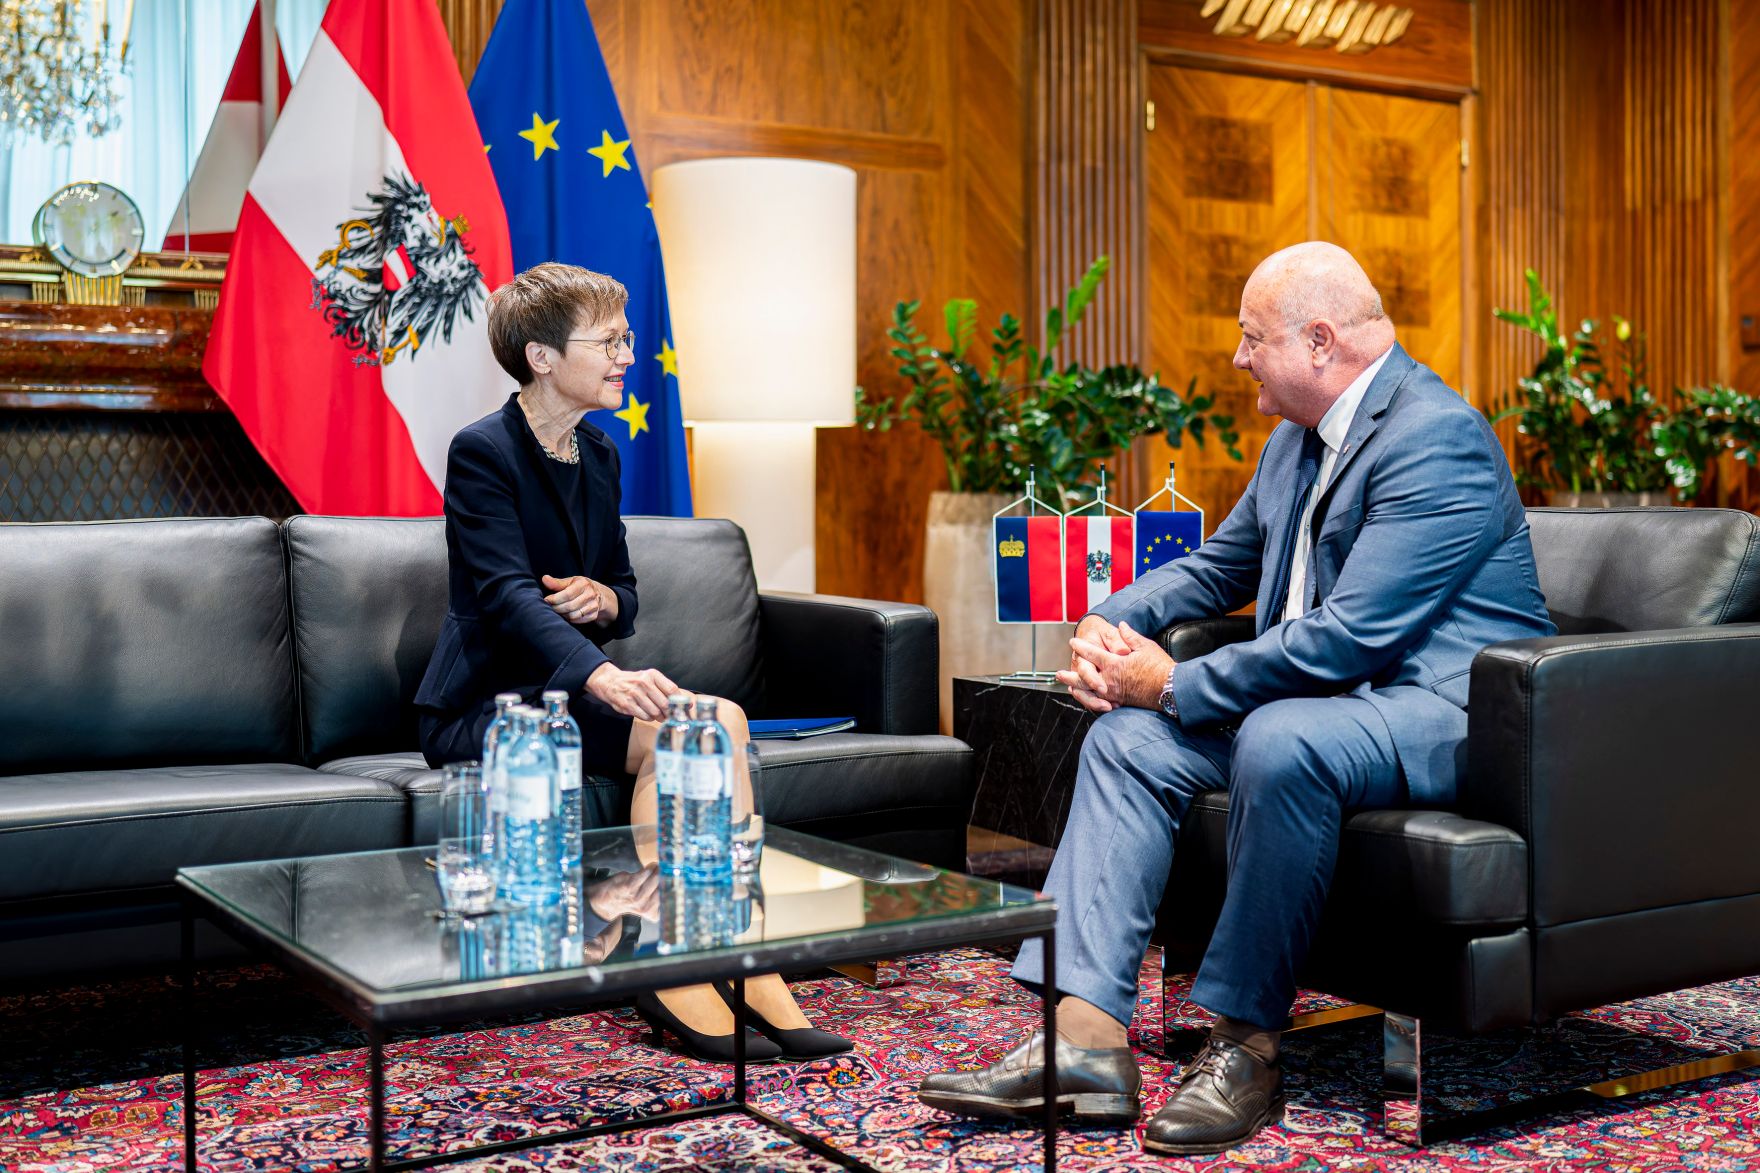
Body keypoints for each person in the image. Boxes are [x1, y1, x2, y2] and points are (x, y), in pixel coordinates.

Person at [918, 242, 1556, 1153]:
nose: (1238, 356)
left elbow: (1352, 637)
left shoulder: (1437, 437)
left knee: (1280, 739)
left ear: (1320, 341)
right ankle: (1084, 1041)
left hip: (1434, 710)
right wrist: (1110, 619)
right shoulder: (1295, 439)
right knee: (1128, 741)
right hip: (1321, 705)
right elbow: (1220, 565)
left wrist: (1172, 680)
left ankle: (1246, 1046)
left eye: (1254, 337)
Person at [415, 262, 850, 1064]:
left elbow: (625, 591)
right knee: (692, 726)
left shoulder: (600, 453)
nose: (627, 355)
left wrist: (603, 600)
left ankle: (732, 953)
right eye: (609, 341)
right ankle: (676, 966)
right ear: (542, 357)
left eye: (627, 338)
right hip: (488, 704)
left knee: (717, 720)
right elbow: (505, 595)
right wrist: (602, 675)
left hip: (565, 691)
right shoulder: (482, 451)